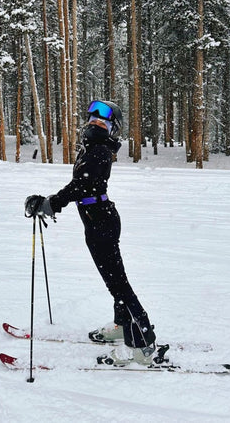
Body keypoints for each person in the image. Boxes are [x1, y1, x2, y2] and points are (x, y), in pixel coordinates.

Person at [25, 100, 157, 366]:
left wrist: (51, 203)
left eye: (103, 122)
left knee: (119, 283)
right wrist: (52, 202)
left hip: (101, 224)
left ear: (112, 129)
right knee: (114, 281)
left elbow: (82, 186)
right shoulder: (94, 148)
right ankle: (122, 324)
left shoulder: (98, 150)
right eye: (93, 120)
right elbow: (81, 185)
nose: (96, 123)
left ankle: (143, 343)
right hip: (97, 221)